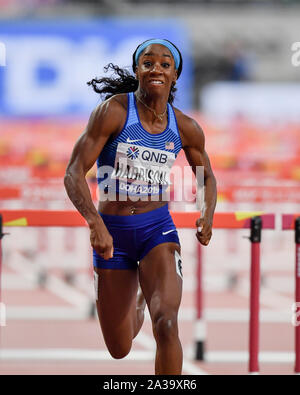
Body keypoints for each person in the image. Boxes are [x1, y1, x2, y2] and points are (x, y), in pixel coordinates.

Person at [64, 38, 217, 375]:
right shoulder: (114, 112)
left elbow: (205, 178)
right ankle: (137, 301)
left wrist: (207, 213)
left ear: (175, 75)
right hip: (112, 234)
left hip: (156, 231)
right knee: (119, 348)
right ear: (137, 70)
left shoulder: (186, 127)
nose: (156, 69)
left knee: (166, 324)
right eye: (148, 63)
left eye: (165, 64)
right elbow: (74, 171)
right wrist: (94, 223)